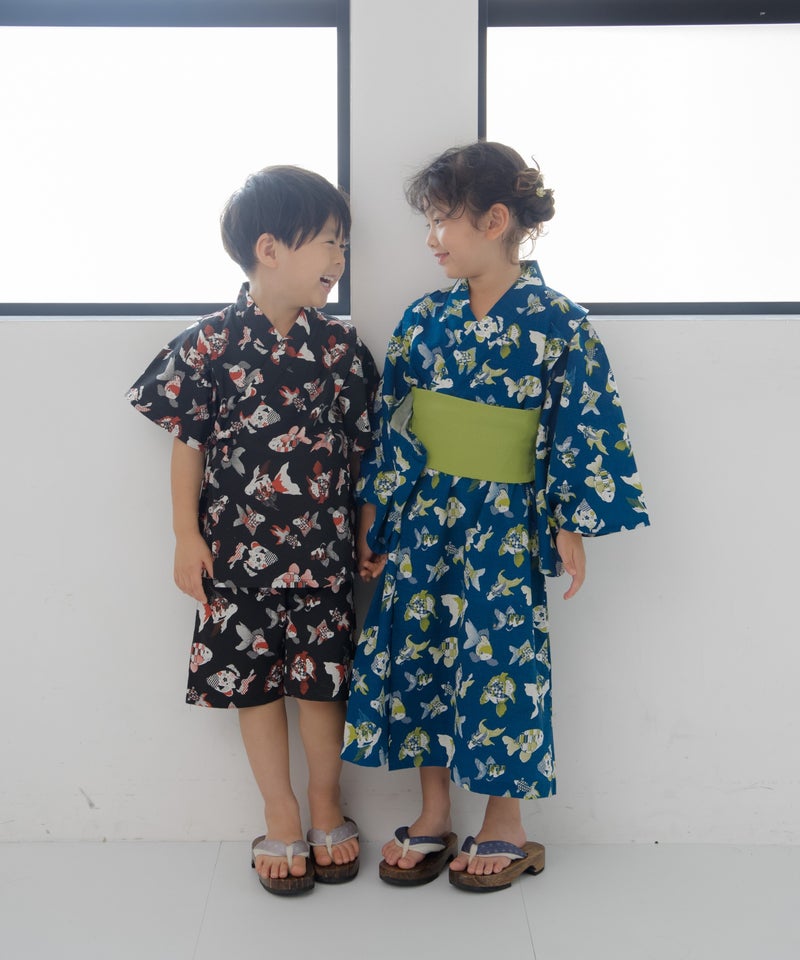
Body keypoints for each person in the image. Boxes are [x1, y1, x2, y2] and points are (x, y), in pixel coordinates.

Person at [342, 141, 649, 892]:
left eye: (442, 220)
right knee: (421, 650)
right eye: (428, 222)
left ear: (495, 219)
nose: (431, 238)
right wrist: (376, 515)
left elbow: (583, 422)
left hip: (505, 518)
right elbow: (393, 424)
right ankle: (434, 810)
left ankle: (505, 821)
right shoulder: (424, 319)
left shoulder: (560, 323)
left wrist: (569, 520)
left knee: (500, 660)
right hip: (425, 514)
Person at [127, 165, 378, 895]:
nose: (339, 258)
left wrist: (368, 526)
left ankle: (327, 804)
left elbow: (363, 449)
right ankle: (281, 813)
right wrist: (186, 536)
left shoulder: (340, 348)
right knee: (254, 686)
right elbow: (189, 444)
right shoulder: (207, 344)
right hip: (235, 558)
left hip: (322, 554)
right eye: (328, 242)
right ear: (270, 248)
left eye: (343, 244)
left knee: (323, 684)